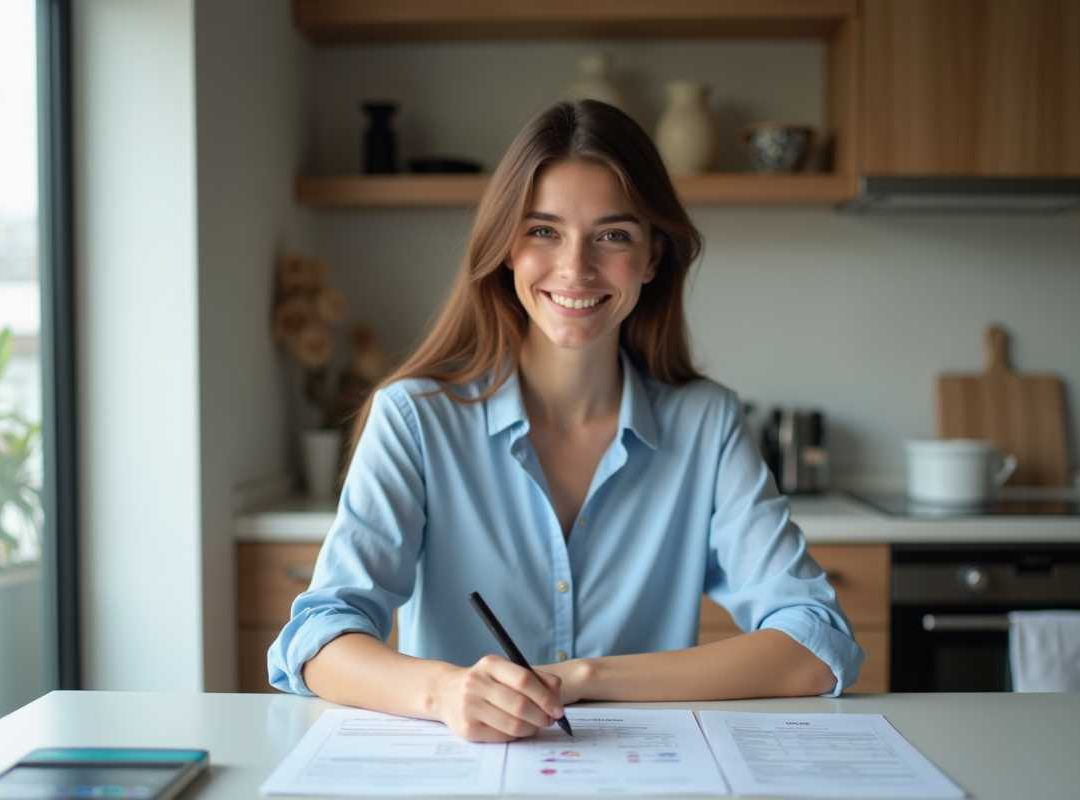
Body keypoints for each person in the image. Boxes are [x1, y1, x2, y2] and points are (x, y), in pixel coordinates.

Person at [268, 100, 863, 742]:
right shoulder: (414, 418)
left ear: (653, 257)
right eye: (543, 231)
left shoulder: (707, 424)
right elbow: (316, 639)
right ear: (505, 249)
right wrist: (444, 691)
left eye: (613, 235)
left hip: (644, 777)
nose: (575, 268)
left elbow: (817, 643)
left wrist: (581, 677)